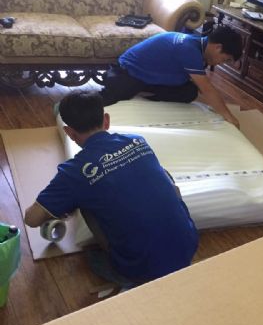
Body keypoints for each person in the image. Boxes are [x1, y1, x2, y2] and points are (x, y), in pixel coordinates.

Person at [24, 91, 199, 286]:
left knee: (85, 203)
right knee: (163, 174)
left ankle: (124, 274)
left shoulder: (74, 172)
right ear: (106, 120)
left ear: (69, 132)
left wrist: (62, 209)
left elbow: (32, 219)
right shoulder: (138, 141)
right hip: (189, 246)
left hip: (140, 267)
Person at [99, 26, 243, 127]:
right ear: (218, 47)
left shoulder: (198, 44)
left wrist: (216, 105)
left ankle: (144, 92)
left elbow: (201, 85)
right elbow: (207, 88)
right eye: (224, 59)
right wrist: (230, 117)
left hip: (150, 75)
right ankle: (139, 91)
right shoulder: (190, 49)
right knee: (110, 99)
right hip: (128, 72)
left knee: (190, 92)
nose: (220, 63)